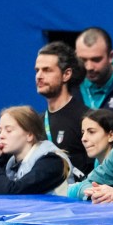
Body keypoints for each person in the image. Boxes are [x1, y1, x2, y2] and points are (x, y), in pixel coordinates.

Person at [0, 106, 76, 195]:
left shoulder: (52, 162)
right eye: (0, 130)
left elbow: (12, 192)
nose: (1, 136)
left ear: (29, 135)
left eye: (8, 130)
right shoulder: (11, 162)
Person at [35, 41, 91, 175]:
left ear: (66, 74)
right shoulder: (36, 123)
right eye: (37, 70)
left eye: (47, 70)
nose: (39, 76)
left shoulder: (86, 118)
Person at [64, 109, 113, 200]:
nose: (83, 138)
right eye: (83, 133)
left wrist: (83, 188)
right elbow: (74, 190)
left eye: (91, 132)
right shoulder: (98, 161)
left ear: (111, 135)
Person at [75, 27, 113, 115]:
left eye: (96, 59)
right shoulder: (70, 84)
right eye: (83, 60)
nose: (89, 67)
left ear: (111, 56)